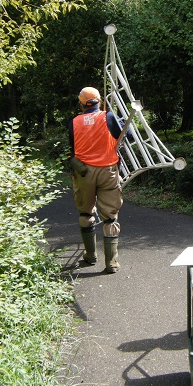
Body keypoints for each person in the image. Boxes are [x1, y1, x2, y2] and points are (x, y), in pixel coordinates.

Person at [68, 86, 125, 273]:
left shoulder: (74, 122)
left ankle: (90, 256)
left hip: (84, 172)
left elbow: (73, 147)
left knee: (85, 214)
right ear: (99, 101)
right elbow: (127, 136)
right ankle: (112, 264)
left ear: (81, 104)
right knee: (110, 217)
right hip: (107, 170)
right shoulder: (108, 117)